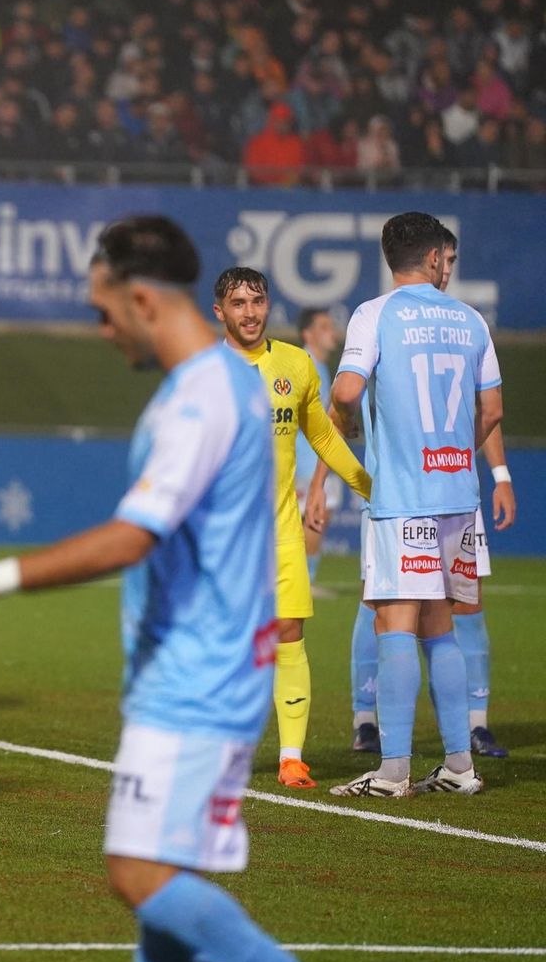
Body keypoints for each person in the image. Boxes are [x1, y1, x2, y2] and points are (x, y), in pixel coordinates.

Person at [0, 216, 362, 962]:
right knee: (165, 891)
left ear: (143, 299)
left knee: (137, 872)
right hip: (199, 665)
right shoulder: (220, 388)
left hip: (202, 674)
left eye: (102, 307)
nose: (100, 326)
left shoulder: (200, 402)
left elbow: (130, 538)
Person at [329, 212, 502, 798]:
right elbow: (493, 410)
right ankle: (458, 766)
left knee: (392, 622)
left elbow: (347, 389)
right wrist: (457, 453)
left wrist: (349, 425)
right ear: (435, 258)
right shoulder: (471, 318)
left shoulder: (375, 314)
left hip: (403, 499)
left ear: (390, 259)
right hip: (459, 495)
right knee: (441, 626)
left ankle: (393, 772)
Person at [211, 268, 371, 790]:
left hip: (281, 535)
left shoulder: (295, 364)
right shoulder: (202, 373)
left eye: (257, 301)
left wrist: (371, 488)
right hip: (223, 541)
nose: (250, 312)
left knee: (289, 635)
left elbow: (324, 438)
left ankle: (291, 757)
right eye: (238, 303)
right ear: (220, 312)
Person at [293, 310, 343, 584]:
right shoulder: (305, 365)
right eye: (324, 326)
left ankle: (304, 579)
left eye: (331, 325)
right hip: (306, 461)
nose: (331, 331)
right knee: (315, 516)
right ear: (307, 334)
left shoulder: (319, 366)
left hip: (317, 459)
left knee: (319, 514)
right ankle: (304, 582)